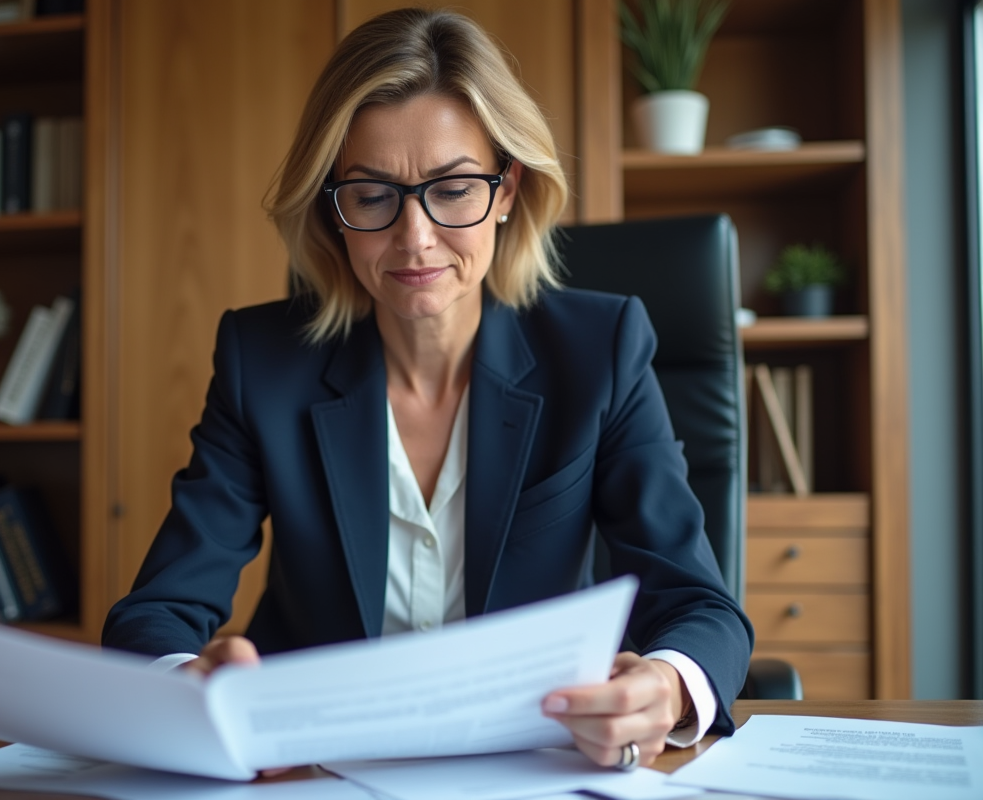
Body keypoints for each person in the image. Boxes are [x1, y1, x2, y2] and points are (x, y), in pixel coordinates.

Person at [102, 7, 752, 771]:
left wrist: (669, 687)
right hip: (310, 771)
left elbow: (702, 607)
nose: (415, 239)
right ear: (332, 210)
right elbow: (156, 614)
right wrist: (193, 692)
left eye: (452, 189)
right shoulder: (261, 362)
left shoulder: (599, 352)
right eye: (373, 196)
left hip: (532, 763)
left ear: (506, 189)